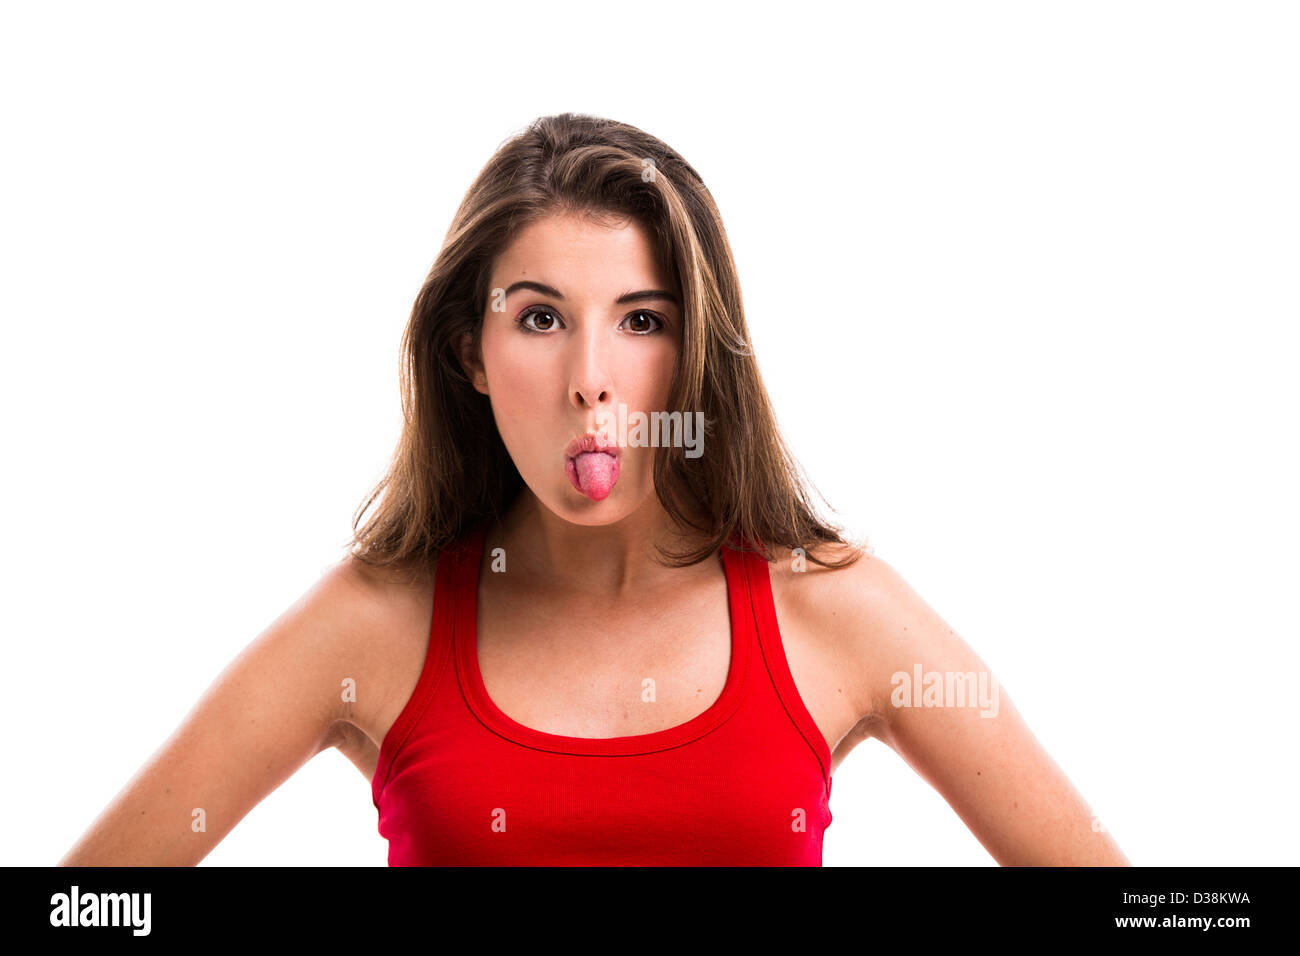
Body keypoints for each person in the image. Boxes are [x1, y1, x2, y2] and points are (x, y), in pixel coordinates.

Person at [58, 112, 1129, 866]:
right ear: (466, 352)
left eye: (641, 319)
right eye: (537, 317)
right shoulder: (373, 624)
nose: (590, 381)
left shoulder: (833, 610)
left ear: (697, 352)